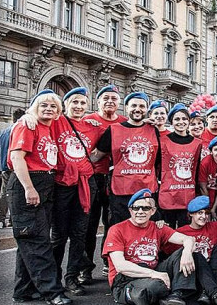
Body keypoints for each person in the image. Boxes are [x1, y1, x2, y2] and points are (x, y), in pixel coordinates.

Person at [7, 89, 70, 305]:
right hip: (30, 180)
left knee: (29, 239)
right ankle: (52, 292)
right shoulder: (27, 124)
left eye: (53, 106)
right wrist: (28, 187)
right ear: (35, 107)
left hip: (45, 181)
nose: (48, 109)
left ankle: (23, 291)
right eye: (43, 105)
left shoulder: (48, 126)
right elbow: (17, 157)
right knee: (37, 240)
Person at [102, 189, 216, 305]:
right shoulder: (117, 230)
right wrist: (154, 274)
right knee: (153, 287)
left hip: (154, 271)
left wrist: (187, 253)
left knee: (188, 254)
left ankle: (176, 296)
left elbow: (188, 239)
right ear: (130, 210)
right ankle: (165, 292)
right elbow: (121, 266)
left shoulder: (158, 227)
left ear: (153, 211)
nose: (140, 212)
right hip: (126, 278)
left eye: (145, 208)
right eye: (136, 208)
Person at [47, 87, 102, 296]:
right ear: (66, 104)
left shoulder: (93, 126)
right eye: (74, 102)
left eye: (82, 103)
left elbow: (116, 126)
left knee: (79, 234)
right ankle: (53, 279)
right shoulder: (56, 121)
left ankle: (72, 278)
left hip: (85, 185)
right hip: (61, 185)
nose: (78, 106)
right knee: (58, 236)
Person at [90, 92, 162, 228]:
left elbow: (158, 161)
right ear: (126, 107)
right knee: (117, 229)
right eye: (134, 105)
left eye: (142, 106)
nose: (137, 109)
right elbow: (96, 156)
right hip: (121, 191)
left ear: (146, 109)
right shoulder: (113, 130)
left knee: (145, 230)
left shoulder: (153, 130)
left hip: (147, 190)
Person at [80, 84, 128, 282]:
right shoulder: (88, 120)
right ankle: (85, 267)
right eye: (105, 98)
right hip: (91, 177)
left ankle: (108, 261)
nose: (109, 101)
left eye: (114, 98)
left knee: (112, 223)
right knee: (88, 224)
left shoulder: (124, 122)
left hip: (116, 179)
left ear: (119, 103)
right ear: (97, 101)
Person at [163, 196, 217, 305]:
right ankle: (213, 292)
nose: (204, 216)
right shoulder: (180, 232)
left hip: (212, 272)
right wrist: (160, 225)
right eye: (200, 213)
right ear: (191, 214)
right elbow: (163, 246)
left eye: (206, 213)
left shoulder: (216, 227)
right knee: (196, 254)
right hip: (191, 275)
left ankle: (206, 291)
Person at [159, 104, 203, 229]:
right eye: (177, 119)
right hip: (168, 195)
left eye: (184, 119)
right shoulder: (162, 141)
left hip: (187, 195)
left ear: (189, 122)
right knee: (167, 234)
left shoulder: (197, 143)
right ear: (171, 121)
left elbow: (197, 169)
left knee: (187, 232)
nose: (181, 122)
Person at [0, 108, 25, 228]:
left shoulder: (2, 133)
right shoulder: (22, 130)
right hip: (18, 166)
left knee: (4, 193)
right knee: (18, 194)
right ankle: (13, 220)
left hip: (4, 167)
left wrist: (3, 161)